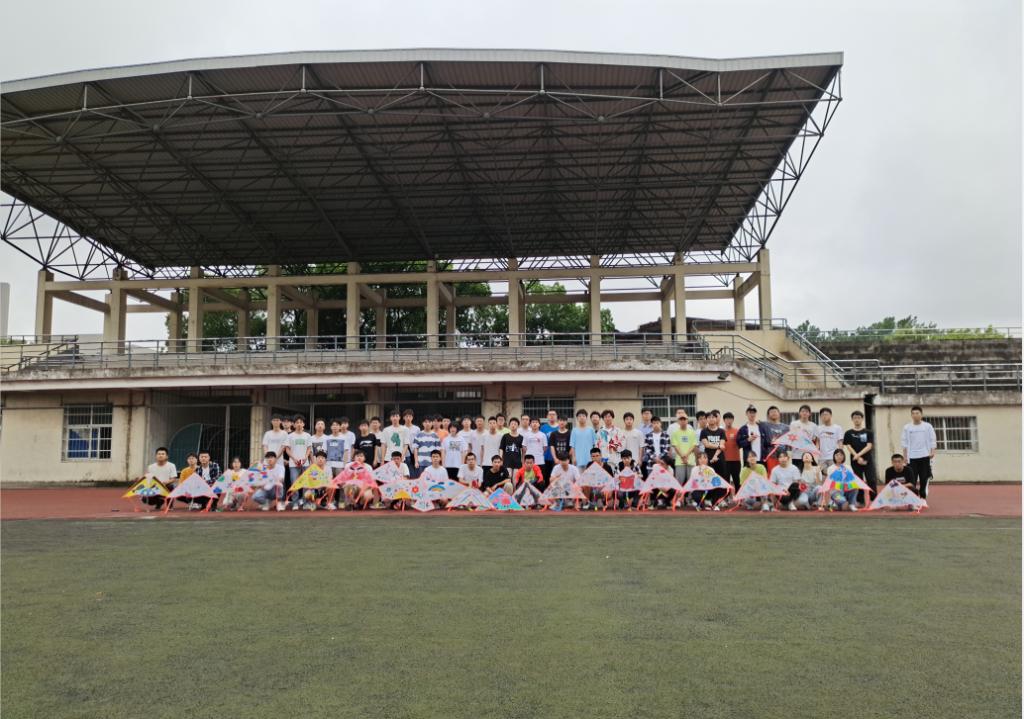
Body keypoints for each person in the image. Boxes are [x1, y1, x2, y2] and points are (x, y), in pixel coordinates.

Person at [901, 406, 937, 499]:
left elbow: (932, 439)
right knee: (912, 479)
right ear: (911, 415)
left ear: (921, 414)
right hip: (912, 457)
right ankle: (913, 498)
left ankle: (923, 497)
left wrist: (932, 451)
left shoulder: (927, 426)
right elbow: (904, 443)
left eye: (917, 413)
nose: (915, 415)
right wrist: (905, 457)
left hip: (925, 456)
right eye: (913, 413)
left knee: (924, 478)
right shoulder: (907, 427)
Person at [844, 410, 876, 506]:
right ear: (852, 419)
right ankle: (860, 501)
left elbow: (869, 446)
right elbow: (848, 446)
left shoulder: (868, 432)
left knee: (871, 479)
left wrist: (858, 455)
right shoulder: (848, 433)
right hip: (855, 461)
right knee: (858, 480)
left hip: (867, 460)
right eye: (855, 418)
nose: (857, 420)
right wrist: (857, 457)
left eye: (859, 418)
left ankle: (874, 500)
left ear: (862, 419)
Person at [284, 415, 312, 507]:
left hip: (305, 463)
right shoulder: (290, 436)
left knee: (306, 484)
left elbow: (309, 448)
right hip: (293, 464)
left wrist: (305, 457)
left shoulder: (307, 435)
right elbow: (287, 449)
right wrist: (293, 458)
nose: (299, 424)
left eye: (301, 422)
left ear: (303, 424)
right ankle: (295, 502)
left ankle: (306, 502)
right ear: (294, 424)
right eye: (297, 422)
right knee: (294, 483)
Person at [670, 411, 699, 484]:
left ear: (687, 420)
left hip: (691, 460)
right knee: (679, 482)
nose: (683, 421)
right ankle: (679, 492)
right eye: (681, 419)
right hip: (679, 461)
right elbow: (675, 446)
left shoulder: (692, 432)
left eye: (684, 419)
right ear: (678, 421)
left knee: (691, 482)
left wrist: (686, 455)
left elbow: (694, 445)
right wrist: (682, 456)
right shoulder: (675, 433)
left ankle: (690, 493)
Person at [699, 410, 728, 481]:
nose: (711, 419)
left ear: (716, 418)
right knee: (708, 479)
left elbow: (722, 445)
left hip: (720, 458)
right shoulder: (704, 431)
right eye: (709, 417)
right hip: (708, 458)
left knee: (721, 479)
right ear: (706, 419)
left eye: (713, 417)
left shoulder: (721, 431)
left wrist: (715, 456)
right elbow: (706, 445)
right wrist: (718, 446)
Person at [815, 408, 843, 476]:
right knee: (822, 476)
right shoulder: (819, 428)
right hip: (822, 457)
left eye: (826, 414)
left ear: (831, 415)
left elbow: (840, 442)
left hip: (833, 457)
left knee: (834, 475)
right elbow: (817, 442)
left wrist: (840, 455)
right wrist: (816, 453)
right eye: (822, 415)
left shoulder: (837, 428)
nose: (824, 416)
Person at [762, 406, 790, 473]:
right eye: (771, 412)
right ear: (768, 415)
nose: (774, 413)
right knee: (771, 475)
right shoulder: (764, 425)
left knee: (783, 474)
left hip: (783, 456)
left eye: (775, 411)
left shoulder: (786, 427)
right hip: (770, 456)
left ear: (779, 414)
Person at [521, 418, 548, 485]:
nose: (535, 424)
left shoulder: (543, 435)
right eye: (533, 422)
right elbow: (524, 447)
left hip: (540, 461)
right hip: (529, 462)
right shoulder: (526, 435)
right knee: (528, 481)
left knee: (540, 481)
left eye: (536, 422)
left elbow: (545, 448)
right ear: (530, 424)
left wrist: (538, 453)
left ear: (539, 424)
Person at [721, 411, 742, 490]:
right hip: (725, 460)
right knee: (726, 481)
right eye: (727, 419)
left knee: (737, 480)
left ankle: (738, 496)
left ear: (733, 420)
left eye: (730, 419)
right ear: (724, 420)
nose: (729, 421)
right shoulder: (721, 431)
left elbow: (740, 444)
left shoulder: (737, 431)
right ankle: (727, 496)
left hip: (736, 460)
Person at [540, 409, 560, 480]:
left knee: (556, 478)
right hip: (545, 456)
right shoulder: (543, 428)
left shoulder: (560, 427)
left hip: (557, 457)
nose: (552, 416)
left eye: (553, 414)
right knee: (546, 477)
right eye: (550, 414)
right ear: (547, 416)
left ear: (557, 416)